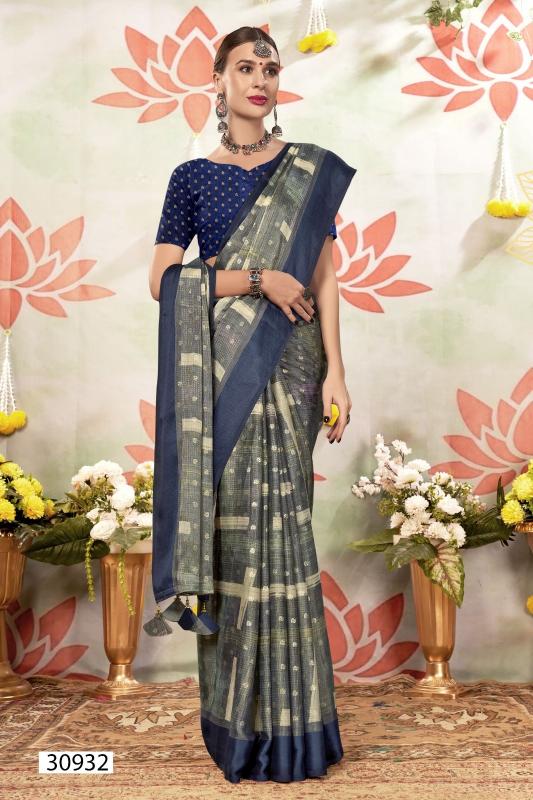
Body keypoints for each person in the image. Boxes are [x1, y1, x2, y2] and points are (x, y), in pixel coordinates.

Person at [146, 26, 356, 783]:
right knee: (234, 540)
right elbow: (164, 281)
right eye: (245, 67)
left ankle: (299, 730)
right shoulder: (191, 178)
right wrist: (259, 279)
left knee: (286, 530)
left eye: (270, 68)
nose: (260, 80)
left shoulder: (308, 171)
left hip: (294, 367)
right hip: (223, 377)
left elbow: (325, 277)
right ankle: (238, 729)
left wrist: (336, 373)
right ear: (218, 80)